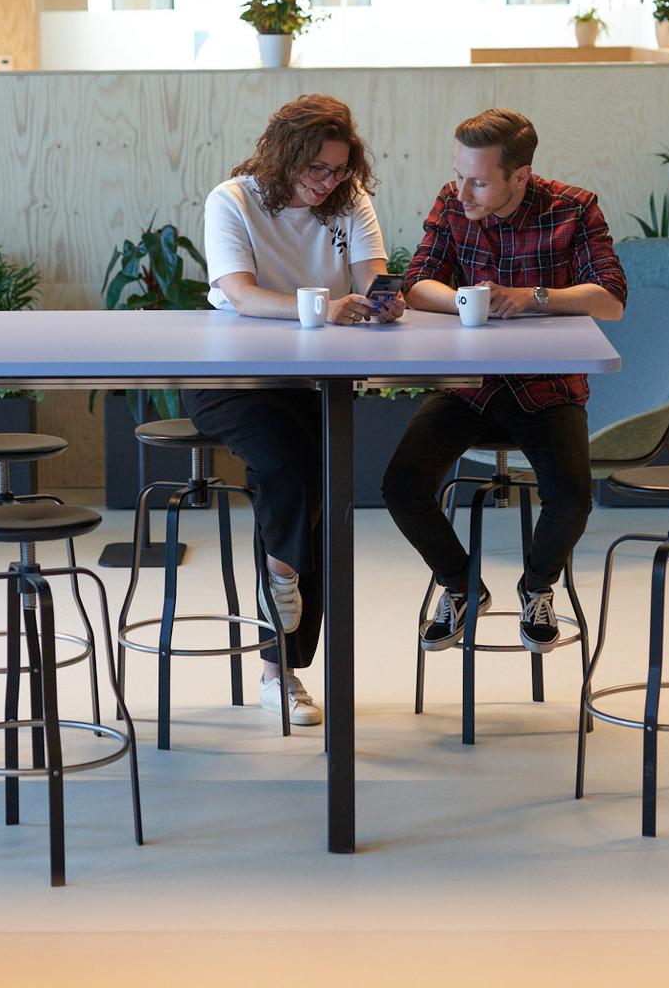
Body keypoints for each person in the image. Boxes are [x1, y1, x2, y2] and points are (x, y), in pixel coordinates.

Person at [185, 93, 400, 727]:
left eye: (338, 170)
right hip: (233, 376)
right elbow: (240, 294)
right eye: (316, 170)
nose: (327, 183)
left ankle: (285, 670)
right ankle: (280, 624)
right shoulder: (234, 199)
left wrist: (378, 301)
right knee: (292, 470)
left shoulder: (349, 200)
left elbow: (372, 276)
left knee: (321, 502)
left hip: (315, 379)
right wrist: (323, 308)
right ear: (284, 156)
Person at [383, 108, 626, 655]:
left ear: (520, 176)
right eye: (459, 174)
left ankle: (537, 589)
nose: (463, 190)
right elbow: (419, 282)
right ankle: (462, 585)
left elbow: (610, 298)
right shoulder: (452, 202)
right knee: (400, 485)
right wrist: (469, 301)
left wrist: (535, 297)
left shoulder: (573, 207)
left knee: (571, 497)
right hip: (467, 384)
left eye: (479, 180)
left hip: (546, 387)